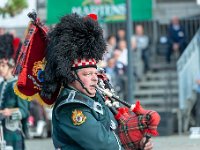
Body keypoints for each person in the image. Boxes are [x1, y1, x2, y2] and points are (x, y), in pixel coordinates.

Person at [40, 13, 153, 150]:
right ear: (70, 76)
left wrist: (137, 143)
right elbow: (103, 145)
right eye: (87, 74)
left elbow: (114, 130)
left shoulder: (95, 96)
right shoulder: (71, 107)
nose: (95, 78)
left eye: (95, 73)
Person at [0, 33, 29, 150]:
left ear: (11, 65)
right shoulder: (2, 84)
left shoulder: (19, 85)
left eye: (2, 65)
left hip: (14, 134)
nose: (0, 68)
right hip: (2, 133)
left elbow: (24, 111)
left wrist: (10, 112)